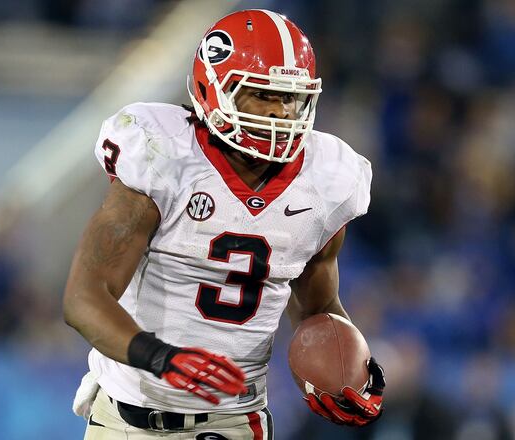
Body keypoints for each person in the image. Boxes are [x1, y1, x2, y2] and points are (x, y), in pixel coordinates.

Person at [63, 9, 385, 439]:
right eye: (263, 95)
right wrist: (162, 357)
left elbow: (318, 308)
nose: (282, 113)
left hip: (233, 422)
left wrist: (351, 372)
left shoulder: (325, 181)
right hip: (125, 419)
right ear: (214, 89)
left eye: (291, 98)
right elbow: (84, 299)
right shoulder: (164, 156)